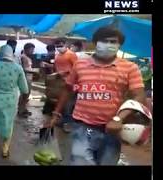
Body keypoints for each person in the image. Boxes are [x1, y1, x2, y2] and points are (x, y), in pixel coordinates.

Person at [47, 26, 146, 165]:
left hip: (112, 130)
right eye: (105, 41)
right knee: (80, 162)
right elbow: (68, 89)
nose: (109, 45)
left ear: (119, 45)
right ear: (95, 42)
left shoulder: (130, 67)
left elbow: (139, 96)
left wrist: (119, 118)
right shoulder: (80, 64)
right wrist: (56, 113)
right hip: (82, 126)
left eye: (113, 42)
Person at [54, 38, 78, 133]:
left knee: (68, 104)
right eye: (57, 46)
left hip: (70, 83)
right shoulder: (58, 55)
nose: (59, 47)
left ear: (65, 44)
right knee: (62, 103)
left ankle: (68, 124)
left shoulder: (71, 55)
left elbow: (77, 68)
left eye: (61, 45)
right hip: (60, 82)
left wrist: (67, 72)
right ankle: (62, 121)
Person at [18, 43, 35, 118]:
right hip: (25, 78)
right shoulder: (23, 57)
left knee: (26, 95)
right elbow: (23, 69)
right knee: (24, 95)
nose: (32, 51)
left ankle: (24, 109)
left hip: (29, 78)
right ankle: (21, 110)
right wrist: (34, 72)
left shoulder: (28, 57)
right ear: (26, 49)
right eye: (31, 50)